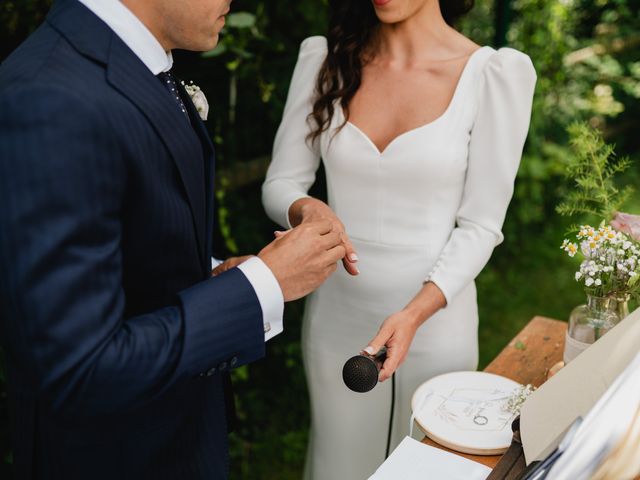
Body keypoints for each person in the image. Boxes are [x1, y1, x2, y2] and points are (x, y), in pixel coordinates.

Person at [0, 0, 346, 478]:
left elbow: (126, 235)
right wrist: (264, 285)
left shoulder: (141, 63)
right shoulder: (49, 97)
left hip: (176, 437)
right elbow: (82, 368)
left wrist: (218, 276)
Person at [260, 0, 537, 477]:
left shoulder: (492, 73)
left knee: (425, 468)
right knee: (338, 462)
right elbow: (280, 184)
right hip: (336, 317)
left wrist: (412, 316)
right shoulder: (328, 60)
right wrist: (309, 208)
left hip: (434, 320)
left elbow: (480, 226)